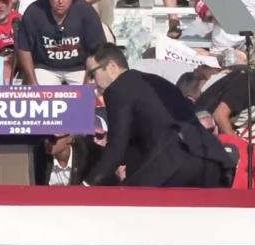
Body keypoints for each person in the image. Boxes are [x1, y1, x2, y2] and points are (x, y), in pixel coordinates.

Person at [84, 43, 236, 187]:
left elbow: (117, 148)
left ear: (111, 67)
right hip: (211, 161)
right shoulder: (157, 81)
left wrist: (87, 185)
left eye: (92, 74)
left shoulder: (118, 88)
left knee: (125, 205)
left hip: (173, 165)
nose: (91, 82)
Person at [16, 0, 105, 85]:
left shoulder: (85, 11)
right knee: (37, 97)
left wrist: (88, 79)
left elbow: (98, 50)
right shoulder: (34, 11)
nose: (60, 1)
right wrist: (33, 83)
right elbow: (24, 48)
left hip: (80, 67)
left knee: (92, 93)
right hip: (45, 67)